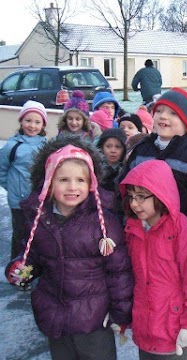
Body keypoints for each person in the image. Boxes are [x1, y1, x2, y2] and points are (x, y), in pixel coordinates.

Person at [5, 137, 134, 359]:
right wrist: (20, 269)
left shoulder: (103, 223)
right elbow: (32, 256)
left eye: (80, 180)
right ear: (48, 183)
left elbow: (119, 271)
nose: (72, 187)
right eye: (63, 179)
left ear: (91, 183)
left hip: (93, 318)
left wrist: (120, 313)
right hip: (54, 314)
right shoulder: (40, 219)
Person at [120, 87, 187, 266]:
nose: (163, 116)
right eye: (158, 111)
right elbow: (123, 191)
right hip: (142, 238)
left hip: (179, 245)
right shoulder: (142, 150)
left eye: (173, 113)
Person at [120, 159, 187, 360]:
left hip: (175, 332)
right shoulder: (133, 230)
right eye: (132, 197)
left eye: (142, 197)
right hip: (146, 329)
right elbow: (129, 279)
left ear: (160, 194)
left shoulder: (181, 231)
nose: (134, 203)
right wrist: (123, 315)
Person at [0, 100, 48, 264]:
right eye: (28, 121)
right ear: (21, 122)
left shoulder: (46, 146)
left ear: (43, 125)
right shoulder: (12, 146)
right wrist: (13, 188)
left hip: (39, 200)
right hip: (18, 201)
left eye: (37, 122)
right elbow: (2, 170)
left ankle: (35, 266)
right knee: (20, 234)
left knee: (39, 234)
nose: (32, 126)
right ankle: (17, 267)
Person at [97, 128, 127, 192]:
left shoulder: (126, 171)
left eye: (118, 147)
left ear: (124, 149)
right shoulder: (95, 168)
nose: (113, 151)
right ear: (101, 148)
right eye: (108, 146)